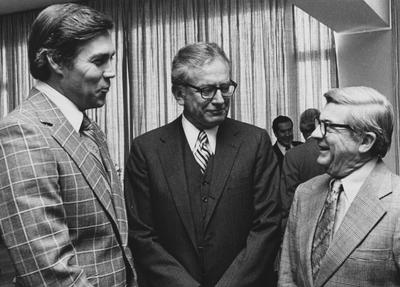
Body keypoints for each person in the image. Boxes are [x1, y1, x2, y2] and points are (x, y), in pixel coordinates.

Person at [125, 42, 281, 287]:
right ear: (179, 94)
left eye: (225, 88)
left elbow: (268, 224)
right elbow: (142, 235)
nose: (220, 100)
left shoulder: (255, 141)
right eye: (207, 90)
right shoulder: (147, 150)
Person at [0, 4, 135, 286]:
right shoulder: (24, 131)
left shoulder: (87, 127)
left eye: (111, 59)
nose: (111, 73)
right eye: (98, 61)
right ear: (56, 62)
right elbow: (49, 270)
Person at [279, 86, 400, 286]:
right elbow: (287, 277)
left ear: (365, 141)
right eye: (319, 123)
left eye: (328, 126)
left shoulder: (396, 201)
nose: (316, 134)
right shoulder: (305, 193)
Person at [280, 108, 325, 230]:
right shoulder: (334, 149)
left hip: (302, 221)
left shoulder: (292, 155)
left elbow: (288, 196)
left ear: (301, 130)